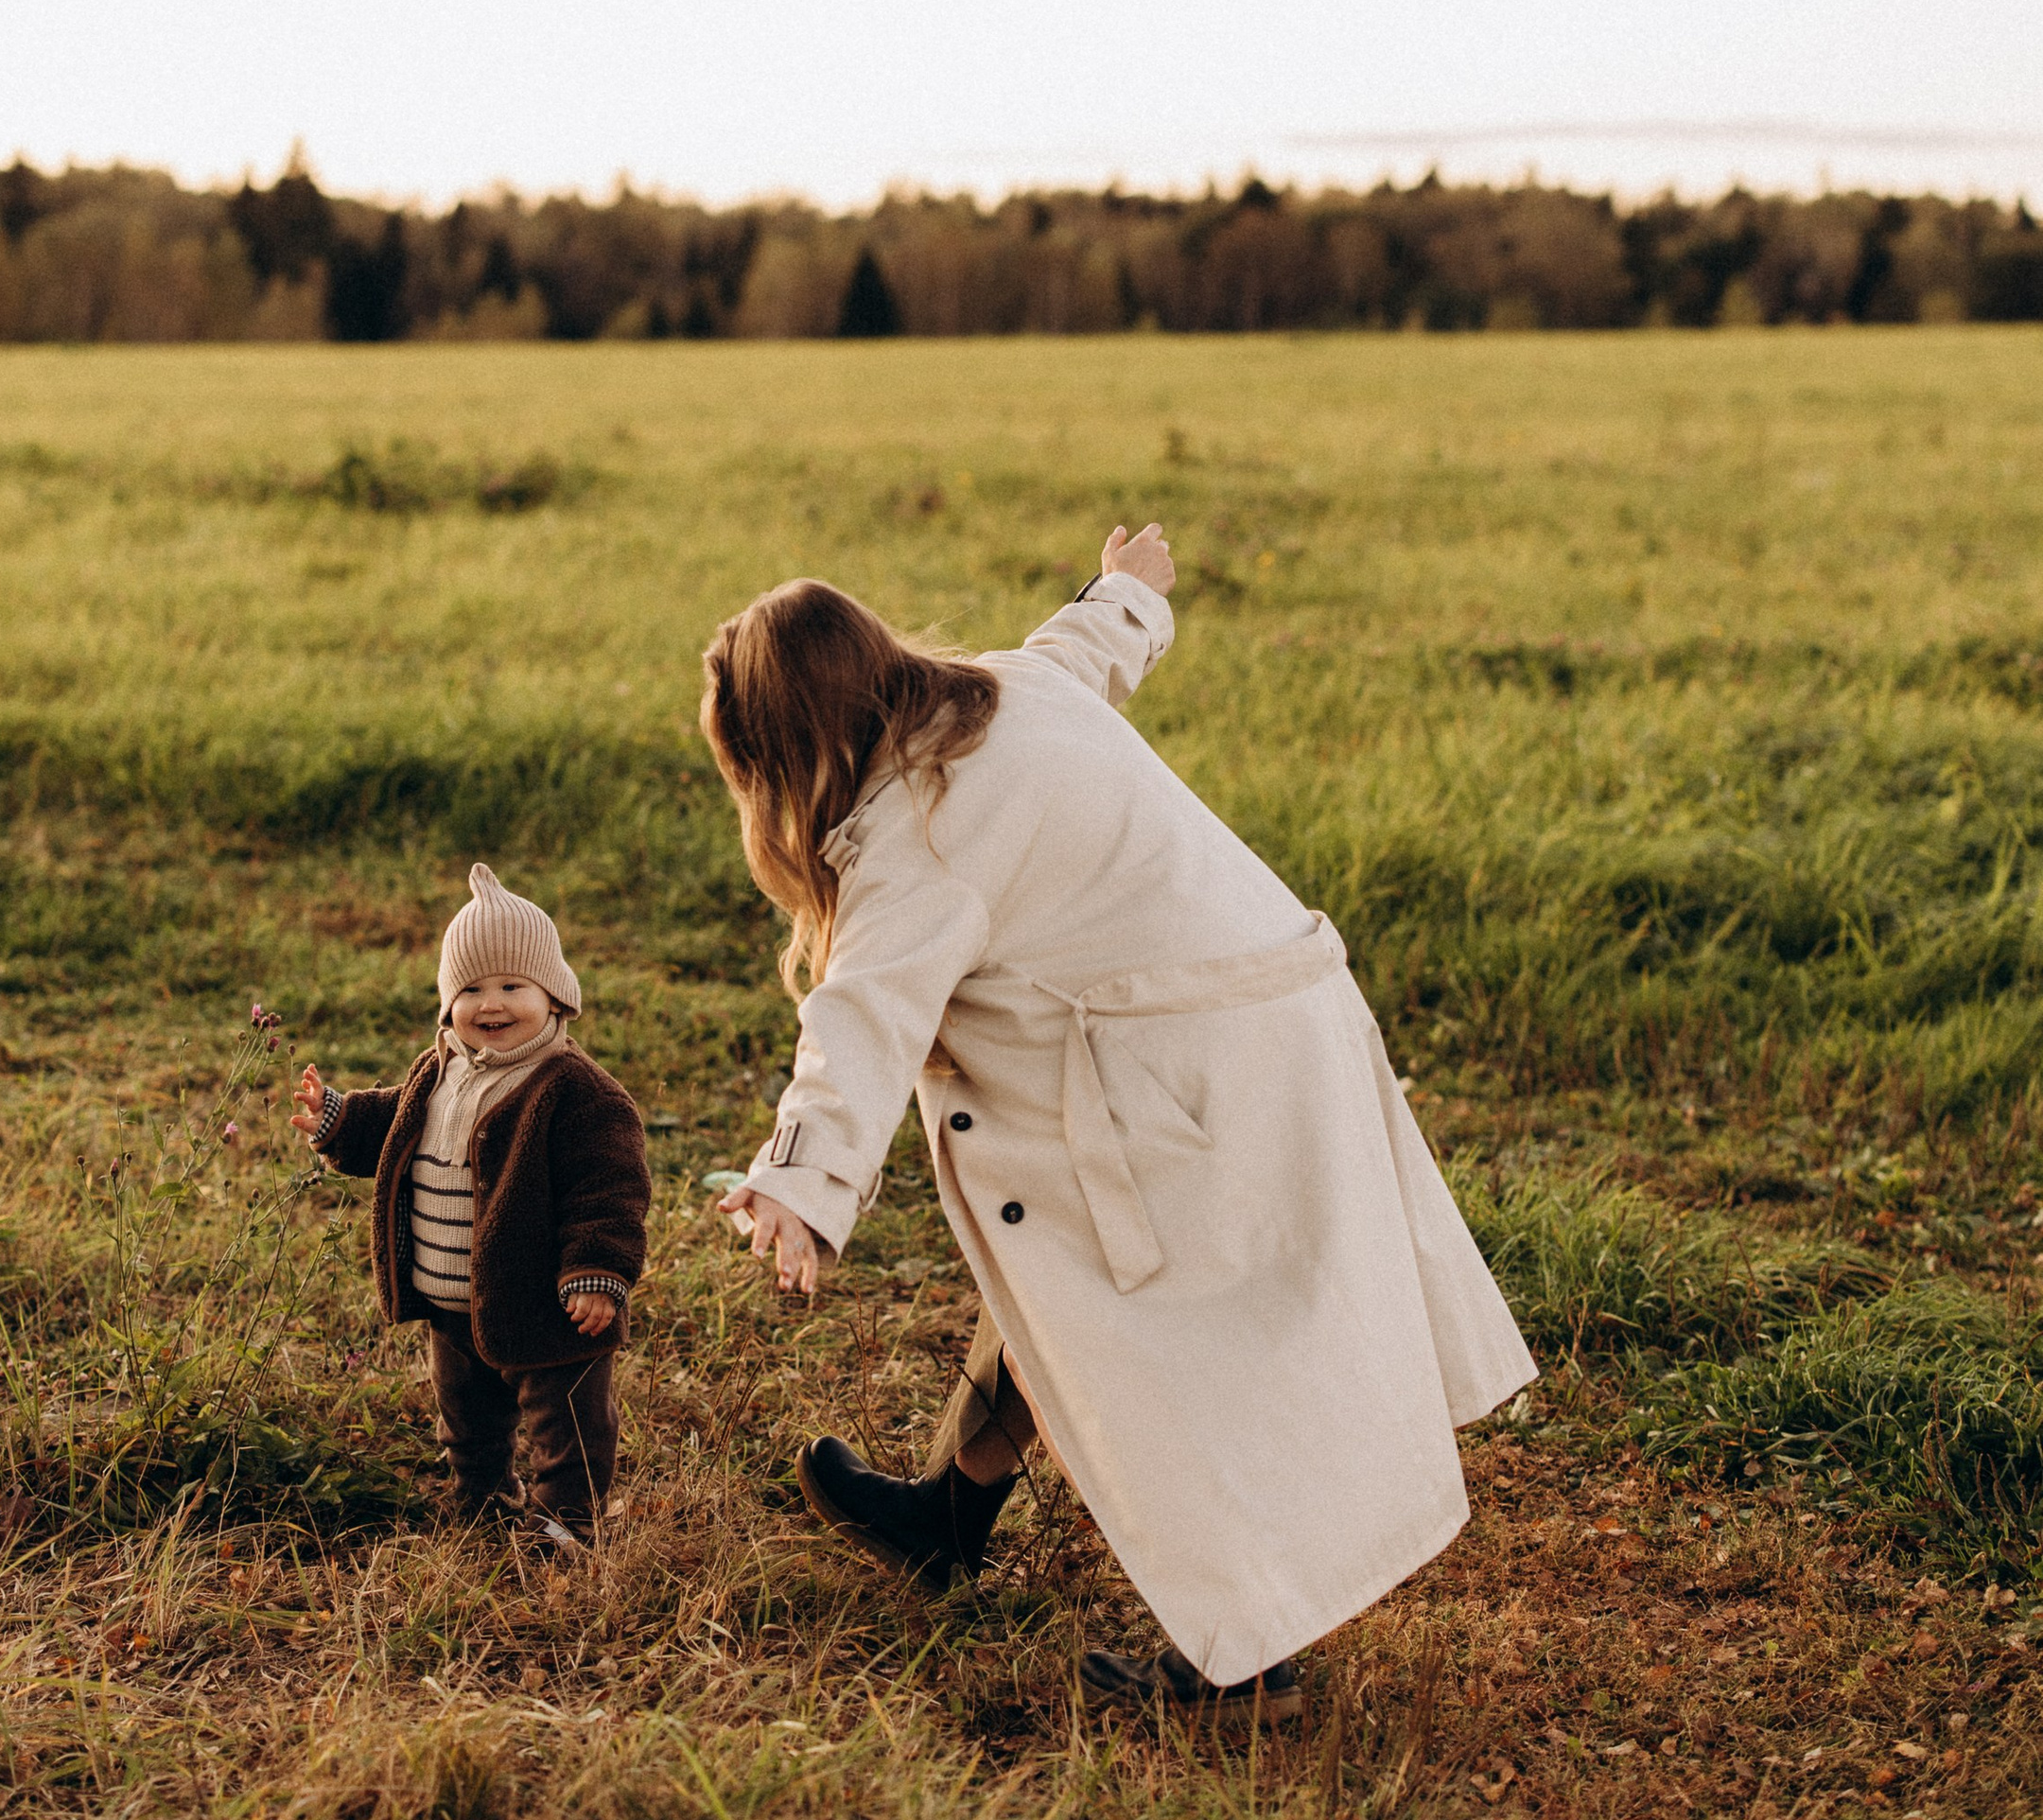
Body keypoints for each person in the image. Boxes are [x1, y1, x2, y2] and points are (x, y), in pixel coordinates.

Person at [704, 525, 1535, 1713]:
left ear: (786, 748)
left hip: (1182, 1076)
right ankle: (948, 1512)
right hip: (1275, 1016)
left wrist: (800, 1181)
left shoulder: (914, 837)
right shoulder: (1007, 692)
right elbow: (1084, 645)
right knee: (1061, 1268)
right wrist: (1125, 591)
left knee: (1181, 1358)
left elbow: (862, 1017)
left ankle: (1240, 1662)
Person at [295, 862, 649, 1552]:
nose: (492, 1004)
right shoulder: (442, 1069)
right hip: (454, 1303)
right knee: (469, 1419)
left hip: (550, 1308)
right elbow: (394, 1121)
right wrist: (336, 1118)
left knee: (565, 1422)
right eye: (472, 989)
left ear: (555, 996)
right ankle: (483, 1498)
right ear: (448, 1004)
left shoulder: (577, 1092)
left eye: (514, 986)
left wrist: (598, 1271)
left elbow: (609, 1192)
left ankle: (564, 1523)